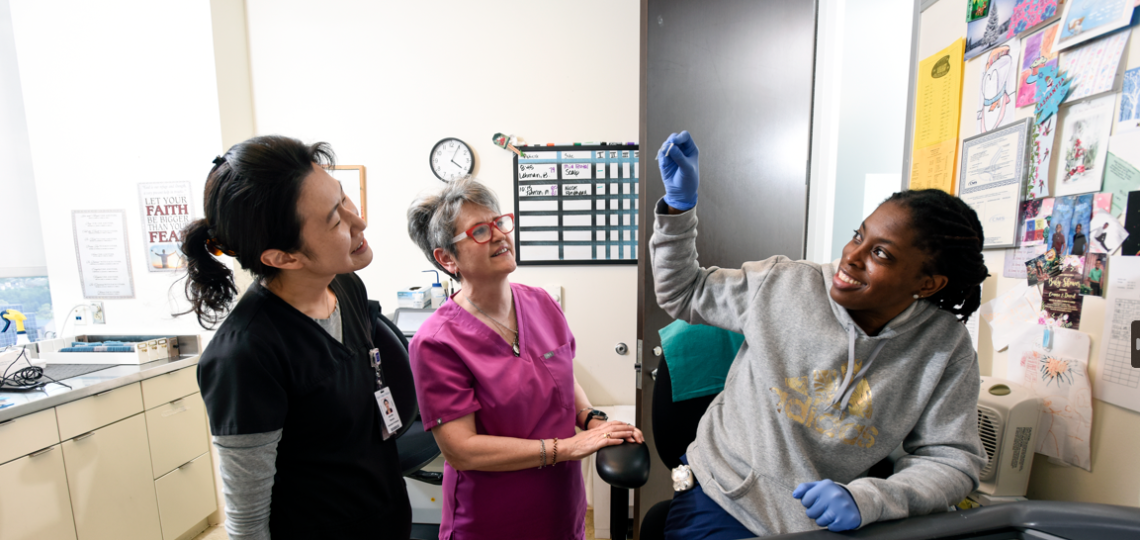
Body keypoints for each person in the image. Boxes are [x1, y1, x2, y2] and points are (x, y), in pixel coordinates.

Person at [652, 131, 989, 539]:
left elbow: (952, 460)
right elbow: (683, 292)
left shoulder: (944, 347)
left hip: (830, 519)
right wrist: (678, 209)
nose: (851, 256)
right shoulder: (784, 284)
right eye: (858, 236)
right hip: (723, 495)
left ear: (928, 283)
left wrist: (869, 499)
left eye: (881, 253)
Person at [183, 135, 411, 539]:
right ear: (283, 257)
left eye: (344, 198)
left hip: (385, 518)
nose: (358, 221)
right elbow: (248, 521)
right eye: (336, 221)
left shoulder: (345, 286)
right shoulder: (245, 355)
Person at [406, 176, 644, 540]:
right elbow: (462, 450)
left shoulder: (541, 303)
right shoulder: (437, 342)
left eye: (500, 222)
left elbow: (563, 377)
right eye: (480, 231)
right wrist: (569, 447)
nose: (500, 235)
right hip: (493, 518)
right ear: (447, 258)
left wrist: (591, 419)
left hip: (561, 506)